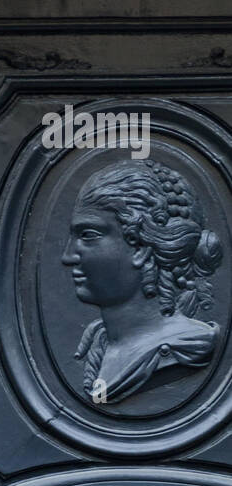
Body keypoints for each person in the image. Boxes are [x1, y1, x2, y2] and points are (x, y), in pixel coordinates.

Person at [61, 160, 222, 402]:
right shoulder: (102, 346)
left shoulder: (185, 348)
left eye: (88, 235)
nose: (68, 256)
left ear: (142, 246)